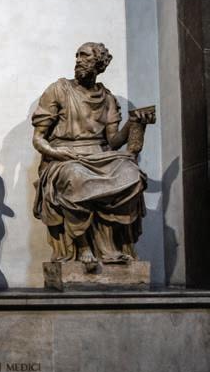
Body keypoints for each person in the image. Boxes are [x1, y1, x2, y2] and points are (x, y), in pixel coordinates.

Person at [32, 42, 155, 265]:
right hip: (65, 157)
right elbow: (38, 139)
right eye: (77, 56)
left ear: (99, 64)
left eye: (85, 56)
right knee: (75, 176)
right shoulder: (58, 90)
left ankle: (111, 246)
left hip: (100, 156)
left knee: (133, 174)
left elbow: (113, 141)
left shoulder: (107, 98)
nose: (78, 60)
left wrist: (135, 122)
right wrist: (57, 153)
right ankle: (82, 246)